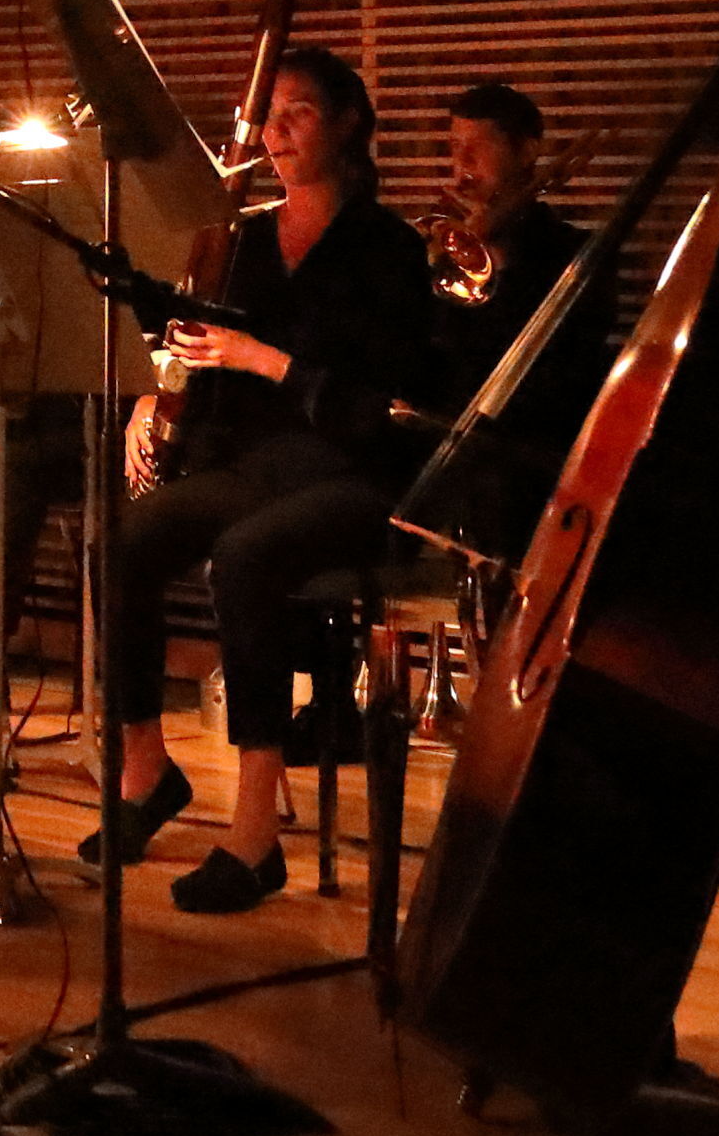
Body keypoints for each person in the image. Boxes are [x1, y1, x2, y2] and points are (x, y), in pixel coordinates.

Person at [90, 44, 432, 915]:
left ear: (348, 124)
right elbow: (192, 337)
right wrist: (136, 323)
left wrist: (266, 361)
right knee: (126, 538)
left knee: (244, 557)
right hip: (254, 465)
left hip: (353, 473)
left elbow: (385, 404)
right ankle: (143, 771)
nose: (274, 132)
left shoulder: (391, 251)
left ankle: (254, 832)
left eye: (298, 113)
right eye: (269, 115)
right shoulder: (241, 239)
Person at [414, 76, 617, 533]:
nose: (461, 164)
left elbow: (551, 374)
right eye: (454, 147)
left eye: (478, 148)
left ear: (526, 153)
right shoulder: (443, 249)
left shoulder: (580, 253)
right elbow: (437, 350)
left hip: (533, 451)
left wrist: (500, 261)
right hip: (449, 439)